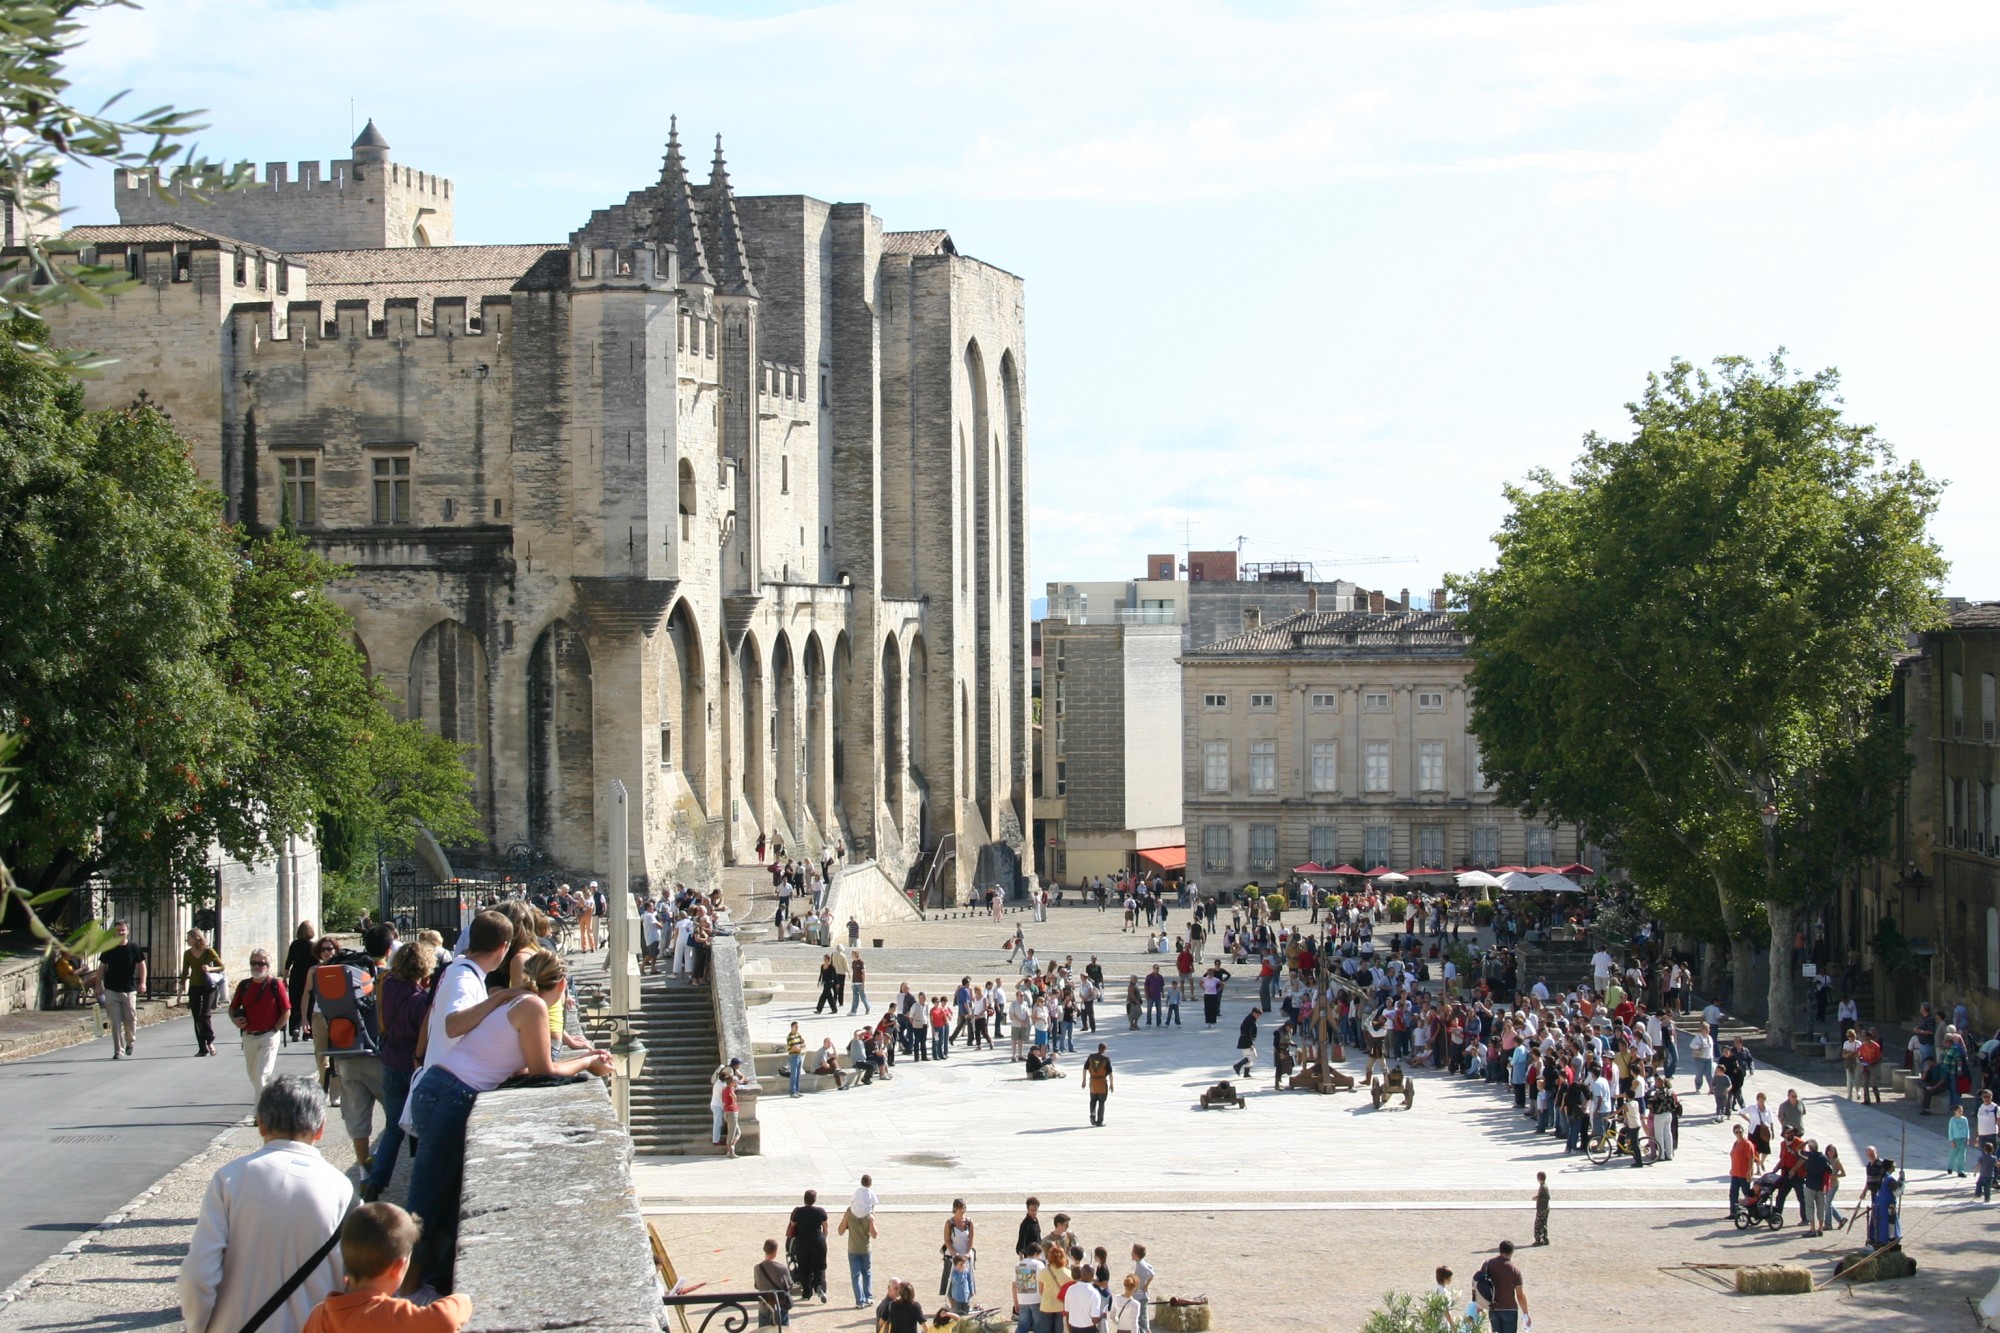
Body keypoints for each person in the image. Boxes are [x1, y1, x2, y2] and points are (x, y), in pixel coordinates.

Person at [405, 924, 611, 1295]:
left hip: (446, 1089)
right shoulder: (531, 1006)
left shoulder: (520, 1002)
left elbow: (520, 1066)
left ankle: (423, 1280)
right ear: (562, 988)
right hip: (450, 1093)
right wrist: (587, 1062)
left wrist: (582, 1057)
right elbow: (543, 1071)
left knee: (443, 1193)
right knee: (429, 1196)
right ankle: (407, 1286)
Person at [179, 1076, 357, 1333]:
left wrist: (198, 1327)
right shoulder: (346, 1194)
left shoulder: (230, 1179)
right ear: (321, 1128)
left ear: (261, 1124)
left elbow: (199, 1275)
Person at [300, 1202, 472, 1333]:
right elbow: (446, 1319)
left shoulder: (319, 1316)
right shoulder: (393, 1315)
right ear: (398, 1267)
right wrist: (462, 1300)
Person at [362, 938, 436, 1203]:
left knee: (393, 1127)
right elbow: (425, 1037)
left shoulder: (388, 985)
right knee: (423, 1129)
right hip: (413, 1066)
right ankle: (419, 1185)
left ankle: (376, 1181)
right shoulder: (421, 1001)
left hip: (391, 1061)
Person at [229, 948, 292, 1094]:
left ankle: (260, 1115)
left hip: (269, 1036)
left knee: (262, 1075)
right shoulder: (244, 985)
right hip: (249, 1036)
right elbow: (232, 1009)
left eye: (260, 963)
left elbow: (286, 1011)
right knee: (254, 1077)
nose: (256, 967)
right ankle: (269, 1105)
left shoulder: (276, 985)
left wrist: (274, 1030)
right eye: (253, 963)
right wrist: (236, 1021)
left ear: (268, 967)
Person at [87, 920, 146, 1058]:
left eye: (123, 930)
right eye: (118, 930)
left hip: (129, 989)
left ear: (127, 931)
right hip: (111, 989)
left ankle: (130, 1041)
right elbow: (102, 967)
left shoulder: (134, 947)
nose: (120, 932)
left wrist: (142, 983)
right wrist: (98, 985)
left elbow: (142, 965)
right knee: (115, 1022)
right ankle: (118, 1051)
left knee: (130, 1018)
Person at [1475, 1240, 1528, 1333]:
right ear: (1512, 1252)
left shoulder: (1487, 1264)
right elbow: (1520, 1295)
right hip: (1509, 1309)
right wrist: (1525, 1313)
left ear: (1499, 1250)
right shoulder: (1514, 1270)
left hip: (1493, 1308)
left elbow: (1480, 1282)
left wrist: (1479, 1305)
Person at [788, 1189, 830, 1303]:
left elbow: (793, 1225)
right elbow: (826, 1228)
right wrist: (823, 1238)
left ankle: (807, 1292)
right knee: (820, 1267)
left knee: (804, 1267)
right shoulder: (821, 1211)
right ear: (814, 1200)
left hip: (802, 1242)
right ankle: (820, 1288)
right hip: (818, 1241)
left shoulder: (798, 1212)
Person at [838, 1201, 876, 1307]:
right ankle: (868, 1296)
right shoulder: (869, 1216)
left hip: (853, 1249)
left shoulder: (849, 1213)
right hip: (865, 1249)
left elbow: (840, 1231)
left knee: (855, 1276)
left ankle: (859, 1301)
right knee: (867, 1272)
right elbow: (874, 1234)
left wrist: (846, 1219)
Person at [285, 922, 319, 1041]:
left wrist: (284, 978)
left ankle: (295, 1027)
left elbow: (288, 961)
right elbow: (317, 963)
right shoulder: (313, 946)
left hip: (295, 975)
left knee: (294, 1002)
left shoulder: (294, 944)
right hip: (308, 977)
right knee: (309, 1004)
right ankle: (307, 1033)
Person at [939, 1199, 976, 1298]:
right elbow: (947, 1241)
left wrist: (967, 1253)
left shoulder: (969, 1222)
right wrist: (954, 1253)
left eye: (963, 1208)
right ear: (955, 1209)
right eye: (959, 1208)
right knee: (951, 1281)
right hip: (952, 1255)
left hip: (965, 1255)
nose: (962, 1210)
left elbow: (971, 1240)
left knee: (966, 1280)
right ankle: (953, 1304)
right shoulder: (949, 1223)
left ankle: (965, 1302)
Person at [753, 1239, 793, 1329]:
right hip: (779, 1307)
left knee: (763, 1330)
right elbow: (789, 1286)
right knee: (783, 1330)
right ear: (775, 1251)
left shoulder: (757, 1268)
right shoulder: (782, 1269)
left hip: (764, 1306)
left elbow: (757, 1286)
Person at [1728, 1123, 1756, 1220]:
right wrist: (1731, 1169)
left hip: (1744, 1174)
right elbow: (1734, 1157)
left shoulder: (1747, 1144)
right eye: (1736, 1132)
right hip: (1735, 1173)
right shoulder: (1735, 1143)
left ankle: (1753, 1212)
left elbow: (1751, 1159)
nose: (1739, 1133)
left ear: (1743, 1132)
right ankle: (1733, 1213)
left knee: (1747, 1194)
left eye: (1740, 1131)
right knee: (1733, 1193)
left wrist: (1749, 1172)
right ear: (1734, 1133)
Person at [1083, 1044, 1114, 1127]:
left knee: (1092, 1100)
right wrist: (1111, 1084)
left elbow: (1085, 1068)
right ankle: (1099, 1121)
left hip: (1093, 1082)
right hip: (1102, 1082)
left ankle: (1092, 1115)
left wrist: (1084, 1081)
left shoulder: (1091, 1057)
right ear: (1104, 1050)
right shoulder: (1106, 1059)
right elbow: (1110, 1073)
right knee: (1101, 1102)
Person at [1129, 1244, 1154, 1333]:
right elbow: (1151, 1268)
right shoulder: (1140, 1263)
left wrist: (1146, 1285)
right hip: (1138, 1296)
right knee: (1142, 1320)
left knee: (1142, 1321)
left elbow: (1151, 1274)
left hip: (1141, 1297)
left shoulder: (1141, 1266)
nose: (1131, 1254)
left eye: (1132, 1252)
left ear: (1136, 1255)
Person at [1231, 1008, 1261, 1079]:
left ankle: (1246, 1073)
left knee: (1248, 1057)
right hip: (1246, 1041)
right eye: (1258, 1015)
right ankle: (1238, 1065)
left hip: (1246, 1040)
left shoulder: (1251, 1019)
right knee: (1253, 1056)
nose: (1258, 1016)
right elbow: (1247, 1032)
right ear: (1254, 1013)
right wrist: (1250, 1043)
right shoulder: (1249, 1020)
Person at [1948, 1104, 1972, 1177]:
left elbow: (1967, 1128)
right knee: (1953, 1154)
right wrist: (1951, 1140)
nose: (1961, 1113)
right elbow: (1950, 1131)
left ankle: (1960, 1170)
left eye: (1961, 1111)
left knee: (1962, 1155)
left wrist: (1968, 1138)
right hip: (1955, 1139)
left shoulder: (1964, 1119)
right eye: (1959, 1111)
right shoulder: (1952, 1120)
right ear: (1955, 1111)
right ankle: (1950, 1167)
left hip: (1963, 1139)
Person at [1532, 1171, 1550, 1246]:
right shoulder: (1543, 1186)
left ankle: (1538, 1240)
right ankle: (1545, 1239)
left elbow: (1547, 1197)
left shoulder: (1543, 1187)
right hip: (1545, 1208)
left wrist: (1538, 1198)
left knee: (1538, 1225)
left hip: (1542, 1209)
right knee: (1543, 1224)